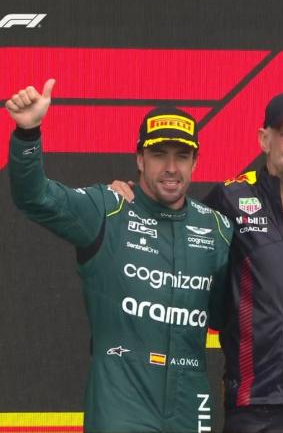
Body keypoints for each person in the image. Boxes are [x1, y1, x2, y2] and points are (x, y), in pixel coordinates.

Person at [112, 90, 283, 433]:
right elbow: (173, 227)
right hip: (255, 402)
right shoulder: (230, 201)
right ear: (264, 139)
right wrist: (130, 199)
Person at [6, 79, 233, 432]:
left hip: (190, 405)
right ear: (140, 158)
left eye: (182, 156)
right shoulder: (107, 210)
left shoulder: (217, 229)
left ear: (196, 162)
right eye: (159, 155)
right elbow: (35, 198)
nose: (171, 168)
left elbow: (232, 314)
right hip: (121, 405)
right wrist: (27, 133)